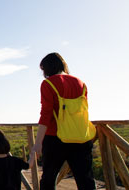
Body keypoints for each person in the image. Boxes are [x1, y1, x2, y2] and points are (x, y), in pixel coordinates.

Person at [32, 52, 96, 189]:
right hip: (80, 137)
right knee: (86, 180)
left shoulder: (48, 83)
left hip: (55, 137)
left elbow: (46, 114)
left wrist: (37, 144)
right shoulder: (81, 83)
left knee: (48, 179)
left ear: (47, 68)